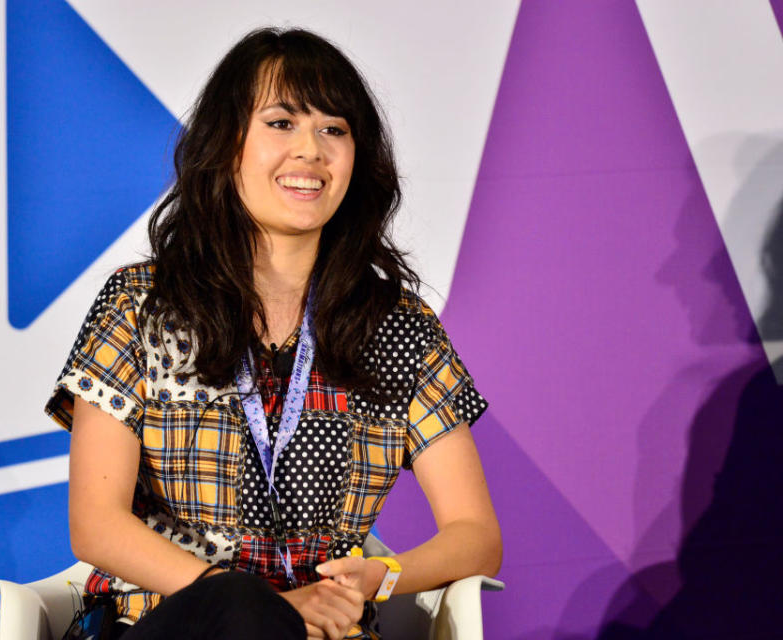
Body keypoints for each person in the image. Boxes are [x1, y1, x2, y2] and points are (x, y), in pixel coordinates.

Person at [45, 27, 501, 640]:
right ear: (227, 143)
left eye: (333, 129)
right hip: (168, 622)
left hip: (325, 632)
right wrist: (261, 604)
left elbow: (476, 537)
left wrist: (378, 576)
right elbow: (96, 525)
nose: (311, 151)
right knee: (237, 609)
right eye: (282, 123)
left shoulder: (399, 329)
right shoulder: (142, 305)